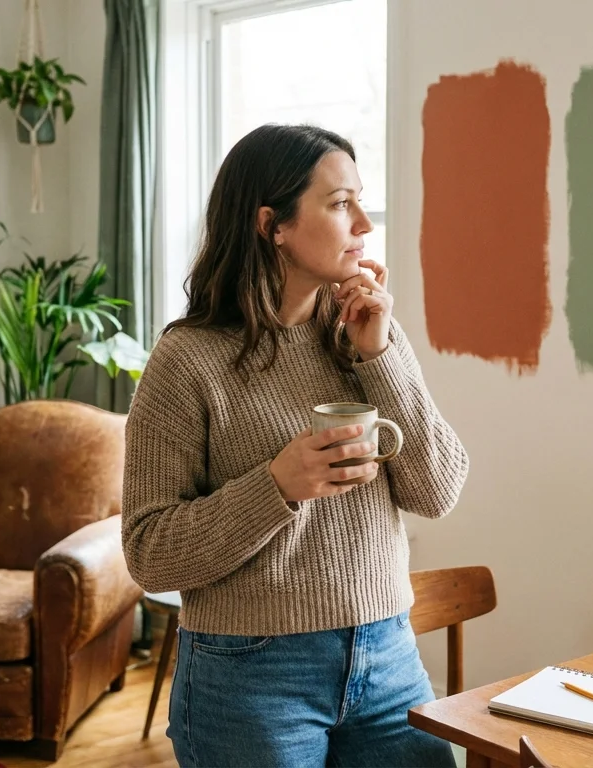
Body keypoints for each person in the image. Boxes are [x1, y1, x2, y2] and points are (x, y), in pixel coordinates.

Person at [120, 123, 469, 767]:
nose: (364, 223)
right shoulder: (187, 359)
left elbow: (438, 489)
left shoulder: (368, 336)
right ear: (271, 224)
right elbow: (148, 552)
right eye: (340, 204)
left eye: (360, 200)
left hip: (387, 652)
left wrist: (379, 355)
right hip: (249, 674)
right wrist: (276, 487)